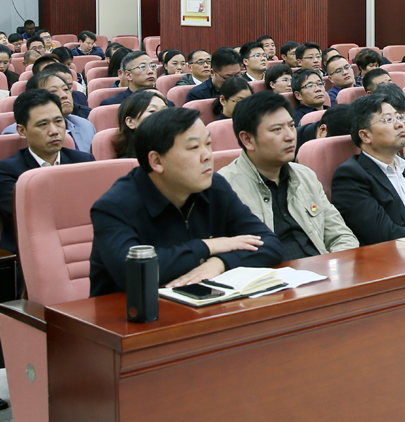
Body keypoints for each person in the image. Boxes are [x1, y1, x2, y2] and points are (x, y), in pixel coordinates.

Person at [89, 107, 283, 296]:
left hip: (203, 304)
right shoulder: (114, 207)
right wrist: (208, 246)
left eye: (208, 144)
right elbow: (133, 272)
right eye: (194, 147)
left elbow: (270, 244)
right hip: (130, 312)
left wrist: (219, 263)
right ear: (156, 161)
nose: (207, 156)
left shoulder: (214, 187)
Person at [217, 91, 358, 261]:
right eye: (277, 129)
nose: (290, 136)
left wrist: (336, 266)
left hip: (323, 269)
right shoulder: (224, 189)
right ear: (247, 139)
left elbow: (341, 235)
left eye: (291, 126)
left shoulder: (305, 175)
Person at [330, 94, 405, 245]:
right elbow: (382, 233)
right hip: (401, 253)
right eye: (388, 120)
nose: (399, 124)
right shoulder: (351, 176)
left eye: (399, 117)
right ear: (365, 135)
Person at [0, 90, 96, 252]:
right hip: (31, 248)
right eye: (43, 124)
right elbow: (27, 216)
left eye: (58, 121)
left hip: (81, 243)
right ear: (22, 131)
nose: (54, 131)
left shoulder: (84, 161)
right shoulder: (7, 170)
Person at [2, 69, 97, 153]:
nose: (64, 95)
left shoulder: (85, 125)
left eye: (66, 89)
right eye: (53, 91)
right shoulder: (14, 133)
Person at [113, 90, 168, 159]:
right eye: (152, 111)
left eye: (165, 111)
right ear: (130, 122)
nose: (163, 116)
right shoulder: (127, 163)